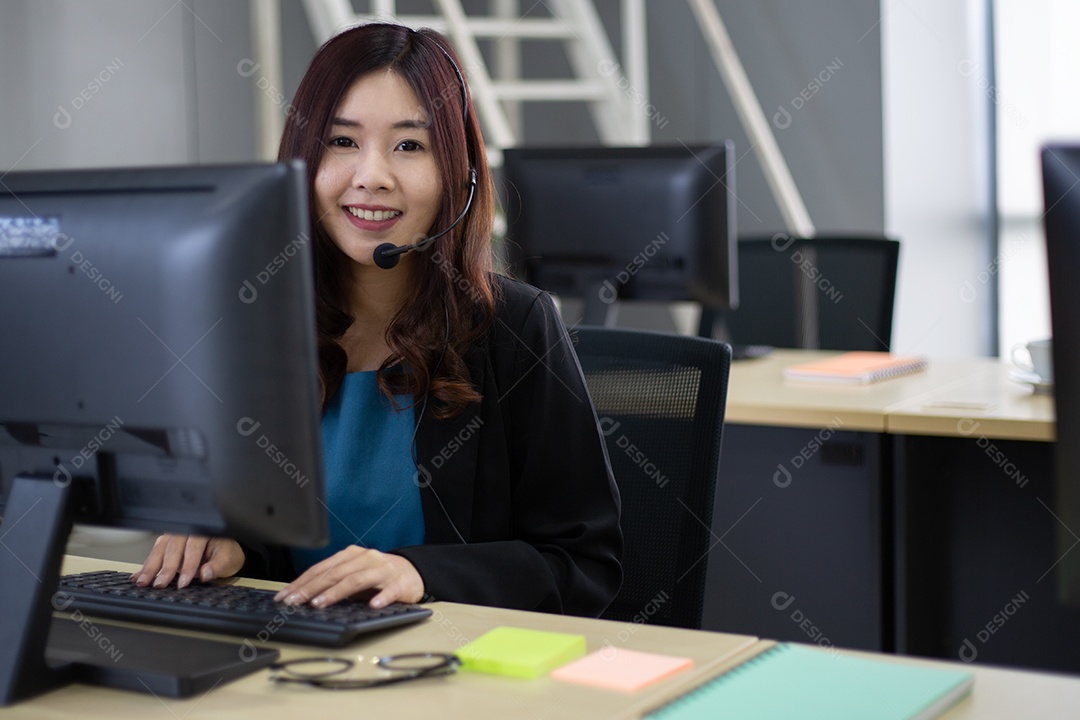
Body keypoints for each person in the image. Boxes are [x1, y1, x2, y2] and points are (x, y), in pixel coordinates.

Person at [133, 23, 623, 617]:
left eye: (409, 146)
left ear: (458, 178)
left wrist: (421, 573)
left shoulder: (515, 328)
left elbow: (585, 567)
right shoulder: (254, 328)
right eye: (342, 142)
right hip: (292, 673)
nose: (372, 176)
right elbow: (273, 550)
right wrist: (229, 548)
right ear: (302, 163)